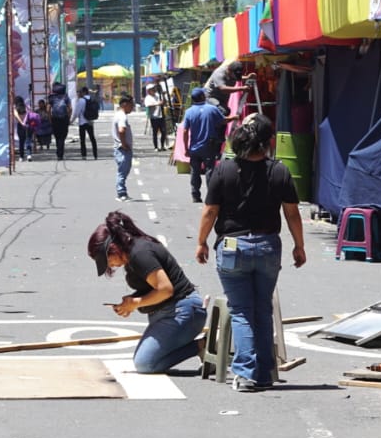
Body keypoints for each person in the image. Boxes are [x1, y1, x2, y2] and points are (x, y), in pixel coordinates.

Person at [194, 114, 305, 392]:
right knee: (262, 309)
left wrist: (202, 242)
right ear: (268, 143)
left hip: (233, 247)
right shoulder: (280, 171)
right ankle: (264, 373)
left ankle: (245, 374)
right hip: (268, 246)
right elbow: (292, 214)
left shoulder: (224, 170)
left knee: (242, 311)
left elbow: (210, 211)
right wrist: (299, 246)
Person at [89, 212, 207, 374]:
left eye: (108, 260)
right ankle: (200, 347)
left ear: (114, 248)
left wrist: (135, 303)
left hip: (182, 312)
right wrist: (130, 302)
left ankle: (202, 346)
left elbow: (165, 289)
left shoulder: (140, 253)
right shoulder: (133, 252)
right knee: (145, 361)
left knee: (145, 364)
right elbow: (151, 288)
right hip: (171, 312)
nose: (111, 265)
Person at [182, 88, 226, 203]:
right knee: (209, 170)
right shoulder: (212, 109)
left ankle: (195, 195)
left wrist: (186, 148)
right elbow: (223, 121)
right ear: (202, 96)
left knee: (195, 171)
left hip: (194, 147)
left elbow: (185, 131)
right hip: (209, 146)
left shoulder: (189, 112)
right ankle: (211, 195)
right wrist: (235, 118)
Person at [112, 94, 135, 201]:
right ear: (125, 104)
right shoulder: (122, 116)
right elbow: (122, 130)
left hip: (119, 148)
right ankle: (121, 193)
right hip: (122, 149)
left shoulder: (118, 114)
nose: (133, 107)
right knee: (122, 172)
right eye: (131, 105)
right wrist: (124, 144)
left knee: (123, 171)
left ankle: (122, 191)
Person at [46, 82, 73, 160]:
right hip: (64, 119)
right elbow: (70, 109)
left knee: (57, 136)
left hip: (55, 119)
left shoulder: (51, 97)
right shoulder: (66, 97)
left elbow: (48, 109)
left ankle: (59, 152)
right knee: (63, 136)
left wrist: (50, 118)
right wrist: (69, 117)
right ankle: (60, 153)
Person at [76, 86, 100, 159]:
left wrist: (71, 120)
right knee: (92, 138)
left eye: (80, 92)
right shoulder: (91, 99)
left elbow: (76, 113)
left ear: (83, 92)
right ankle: (95, 155)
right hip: (90, 121)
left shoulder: (81, 100)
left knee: (82, 140)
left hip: (82, 122)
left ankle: (84, 155)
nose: (79, 93)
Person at [143, 84, 168, 151]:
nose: (154, 89)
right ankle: (156, 147)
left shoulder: (158, 95)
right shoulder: (148, 98)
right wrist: (157, 103)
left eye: (154, 88)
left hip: (161, 116)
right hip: (154, 117)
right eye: (152, 89)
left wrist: (163, 95)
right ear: (148, 91)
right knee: (155, 132)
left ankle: (162, 146)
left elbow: (164, 102)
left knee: (163, 131)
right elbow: (148, 105)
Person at [12, 95, 33, 161]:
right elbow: (31, 114)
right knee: (28, 140)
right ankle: (29, 155)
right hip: (28, 125)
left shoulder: (15, 108)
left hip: (21, 126)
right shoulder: (26, 107)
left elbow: (17, 116)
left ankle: (21, 156)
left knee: (21, 141)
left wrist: (22, 123)